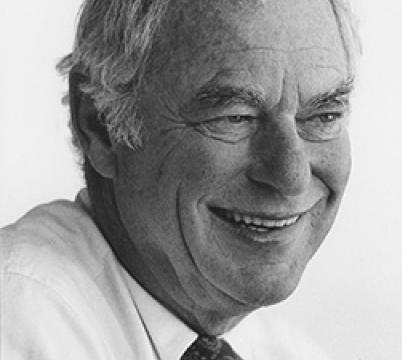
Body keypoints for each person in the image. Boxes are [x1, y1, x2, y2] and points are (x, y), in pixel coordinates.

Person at [0, 0, 359, 359]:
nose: (292, 176)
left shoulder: (280, 348)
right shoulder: (19, 321)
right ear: (100, 126)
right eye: (234, 117)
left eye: (324, 116)